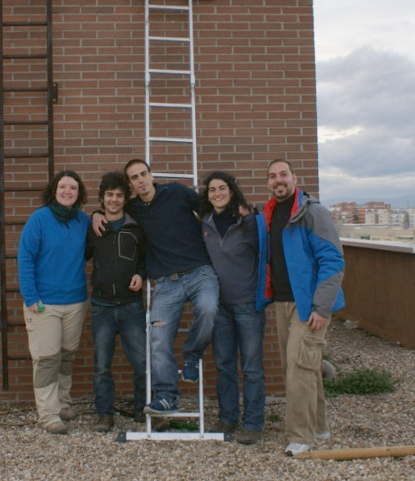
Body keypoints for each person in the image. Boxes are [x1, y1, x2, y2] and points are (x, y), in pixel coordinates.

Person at [93, 159, 219, 415]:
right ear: (130, 185)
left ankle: (192, 355)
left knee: (208, 309)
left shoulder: (176, 192)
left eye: (143, 174)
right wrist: (95, 214)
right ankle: (166, 396)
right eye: (134, 178)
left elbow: (209, 207)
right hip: (166, 283)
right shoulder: (133, 209)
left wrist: (237, 210)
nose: (140, 180)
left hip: (199, 272)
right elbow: (111, 209)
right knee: (158, 337)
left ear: (151, 175)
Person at [263, 159, 345, 456]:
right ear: (268, 182)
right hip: (282, 302)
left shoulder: (313, 213)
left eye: (283, 174)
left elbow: (333, 260)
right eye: (273, 176)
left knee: (299, 368)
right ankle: (319, 426)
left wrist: (321, 308)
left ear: (294, 178)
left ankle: (300, 436)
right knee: (302, 365)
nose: (278, 180)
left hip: (309, 305)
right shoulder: (271, 213)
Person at [199, 171, 271, 445]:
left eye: (222, 188)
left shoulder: (246, 221)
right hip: (219, 307)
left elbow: (264, 251)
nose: (217, 193)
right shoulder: (204, 223)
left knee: (251, 367)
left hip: (248, 304)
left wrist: (250, 217)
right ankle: (228, 418)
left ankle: (253, 423)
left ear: (231, 191)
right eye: (212, 190)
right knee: (224, 365)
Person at [18, 170, 90, 435]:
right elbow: (25, 257)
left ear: (79, 193)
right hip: (43, 304)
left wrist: (98, 216)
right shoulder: (39, 219)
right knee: (47, 359)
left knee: (66, 357)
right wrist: (30, 296)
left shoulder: (83, 221)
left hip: (76, 302)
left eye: (73, 187)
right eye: (63, 186)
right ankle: (48, 415)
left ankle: (63, 403)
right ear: (54, 190)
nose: (67, 191)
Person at [86, 171, 147, 432]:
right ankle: (104, 414)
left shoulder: (136, 228)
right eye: (109, 195)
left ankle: (143, 410)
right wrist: (93, 216)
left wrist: (141, 274)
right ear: (102, 198)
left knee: (142, 363)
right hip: (102, 307)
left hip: (131, 305)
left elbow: (145, 260)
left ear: (125, 198)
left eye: (119, 195)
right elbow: (81, 255)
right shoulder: (94, 228)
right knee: (102, 365)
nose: (114, 200)